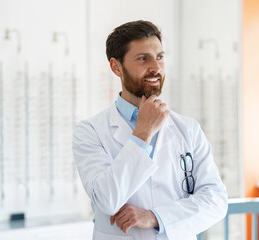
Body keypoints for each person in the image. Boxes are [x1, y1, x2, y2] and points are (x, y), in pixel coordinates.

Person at [72, 20, 228, 240]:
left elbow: (216, 201)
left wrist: (156, 217)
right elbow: (107, 199)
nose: (156, 67)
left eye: (160, 57)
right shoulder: (90, 132)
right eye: (143, 58)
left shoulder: (188, 129)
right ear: (116, 67)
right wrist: (142, 133)